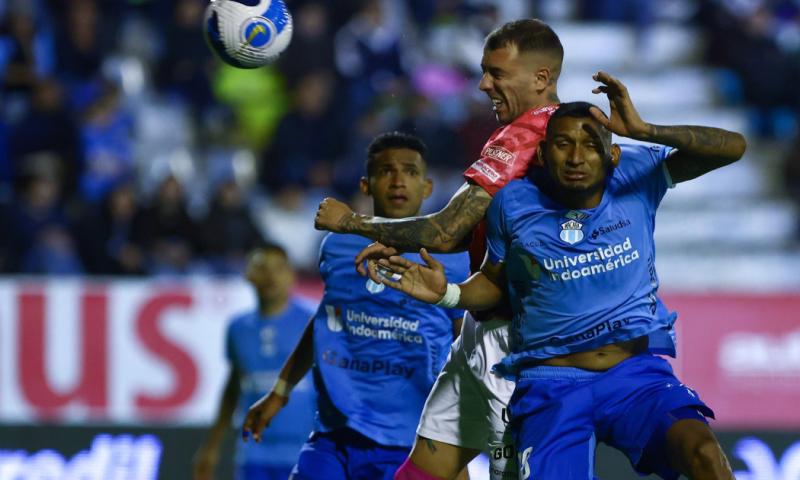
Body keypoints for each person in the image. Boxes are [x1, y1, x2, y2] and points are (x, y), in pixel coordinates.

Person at [368, 77, 747, 479]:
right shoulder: (513, 204)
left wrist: (645, 130)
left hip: (634, 375)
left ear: (612, 155)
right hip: (552, 385)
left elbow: (734, 147)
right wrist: (447, 293)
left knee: (703, 453)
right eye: (564, 144)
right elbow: (494, 282)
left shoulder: (637, 175)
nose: (576, 157)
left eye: (590, 144)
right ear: (543, 153)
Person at [314, 19, 564, 479]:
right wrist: (394, 240)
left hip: (516, 344)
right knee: (424, 470)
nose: (483, 84)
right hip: (485, 329)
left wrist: (353, 224)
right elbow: (473, 231)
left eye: (496, 73)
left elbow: (447, 230)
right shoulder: (555, 132)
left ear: (540, 78)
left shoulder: (527, 134)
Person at [242, 132, 470, 479]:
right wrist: (280, 392)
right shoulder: (337, 247)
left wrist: (457, 446)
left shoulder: (451, 260)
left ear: (427, 187)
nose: (398, 181)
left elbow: (466, 346)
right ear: (367, 184)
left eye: (410, 172)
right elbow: (328, 320)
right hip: (335, 435)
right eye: (386, 171)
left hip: (411, 441)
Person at [192, 244, 317, 480]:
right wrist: (211, 446)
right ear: (248, 275)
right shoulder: (237, 328)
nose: (270, 276)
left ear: (291, 275)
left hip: (305, 451)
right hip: (255, 455)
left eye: (278, 268)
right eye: (261, 268)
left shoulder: (312, 321)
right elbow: (234, 387)